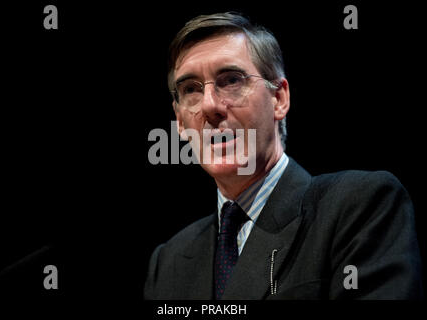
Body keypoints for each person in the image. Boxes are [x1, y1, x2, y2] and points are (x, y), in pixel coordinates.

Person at [144, 12, 423, 300]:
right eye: (190, 89)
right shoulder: (168, 262)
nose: (209, 105)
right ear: (179, 122)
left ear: (279, 98)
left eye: (231, 80)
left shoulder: (358, 207)